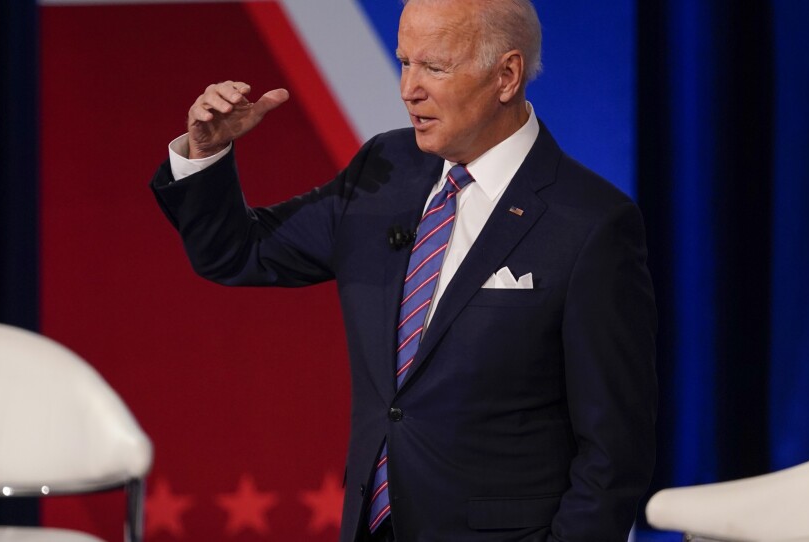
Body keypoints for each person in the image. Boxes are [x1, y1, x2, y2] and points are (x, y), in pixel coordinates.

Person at [150, 0, 657, 540]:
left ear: (506, 75)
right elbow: (239, 252)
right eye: (403, 62)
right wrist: (206, 151)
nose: (408, 89)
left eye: (433, 67)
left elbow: (613, 451)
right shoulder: (385, 169)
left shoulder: (589, 223)